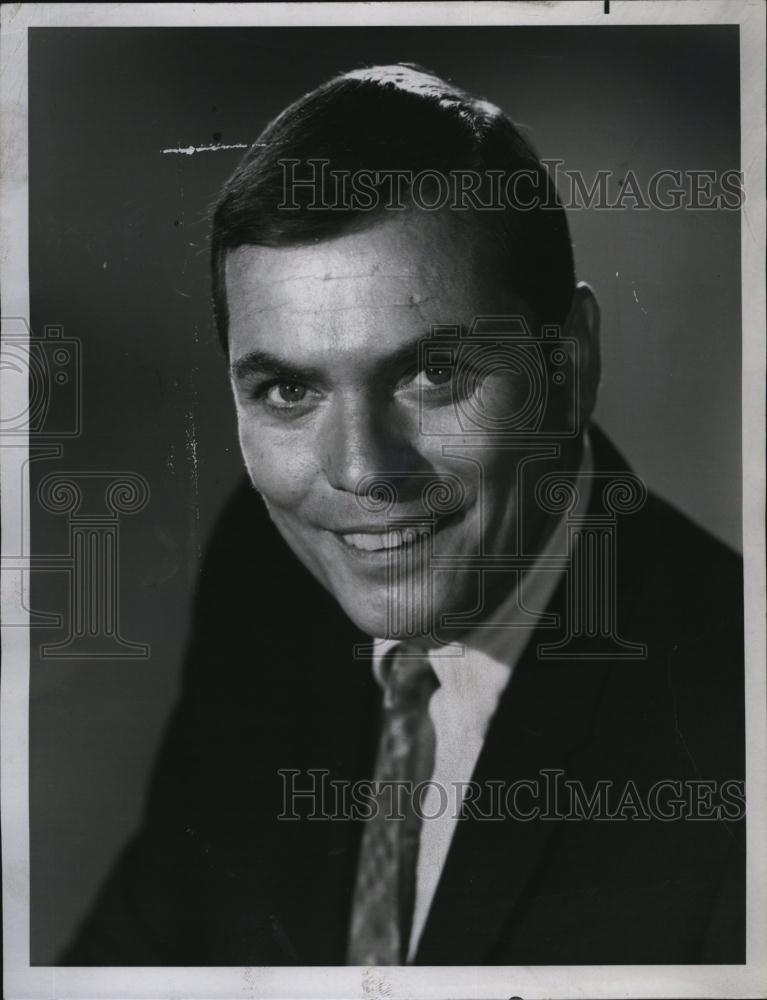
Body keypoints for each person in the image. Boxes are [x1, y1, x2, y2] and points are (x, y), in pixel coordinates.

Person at [63, 64, 744, 966]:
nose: (357, 471)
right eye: (288, 389)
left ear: (569, 366)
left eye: (433, 374)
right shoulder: (263, 578)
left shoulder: (735, 714)